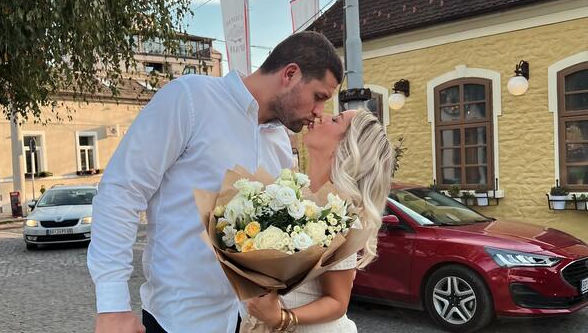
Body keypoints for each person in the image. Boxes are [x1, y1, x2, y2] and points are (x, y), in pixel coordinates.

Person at [87, 31, 343, 333]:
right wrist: (113, 306)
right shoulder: (190, 99)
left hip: (245, 322)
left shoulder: (280, 143)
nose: (319, 112)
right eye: (319, 97)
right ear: (290, 74)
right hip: (177, 321)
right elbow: (121, 191)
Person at [245, 109, 394, 332]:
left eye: (335, 120)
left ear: (345, 147)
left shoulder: (342, 213)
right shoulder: (294, 194)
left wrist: (281, 318)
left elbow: (337, 302)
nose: (321, 115)